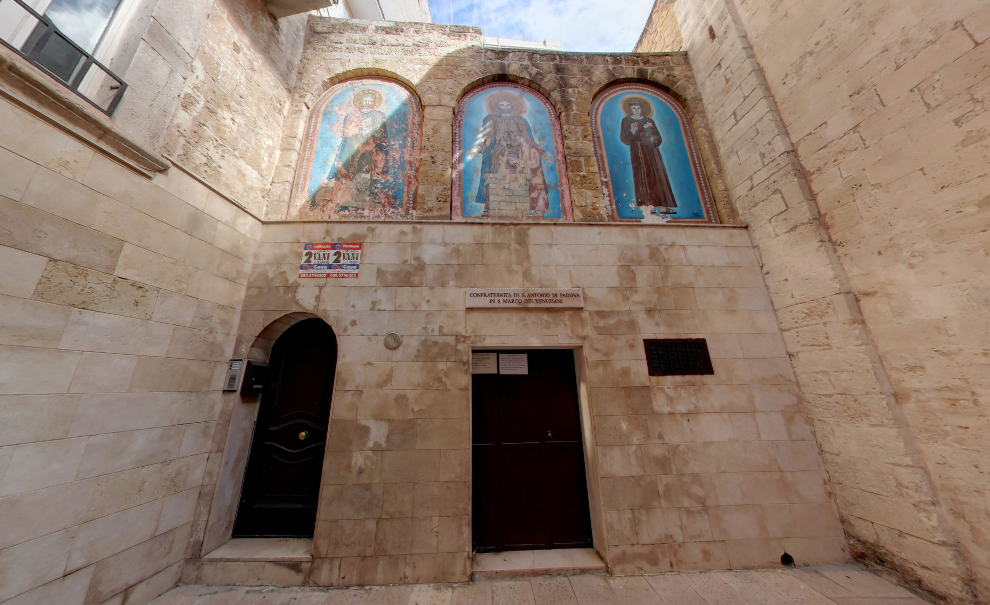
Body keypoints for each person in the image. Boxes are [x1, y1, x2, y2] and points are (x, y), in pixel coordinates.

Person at [311, 88, 390, 217]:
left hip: (371, 149)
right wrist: (358, 131)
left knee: (368, 172)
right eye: (364, 101)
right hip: (352, 148)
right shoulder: (352, 115)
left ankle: (366, 198)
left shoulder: (378, 115)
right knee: (347, 171)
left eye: (370, 101)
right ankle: (344, 197)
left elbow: (382, 135)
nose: (367, 103)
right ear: (359, 101)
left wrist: (370, 133)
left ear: (374, 102)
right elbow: (346, 133)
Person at [471, 90, 550, 217]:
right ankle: (489, 208)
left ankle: (521, 208)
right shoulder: (491, 120)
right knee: (494, 176)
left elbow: (529, 139)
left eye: (508, 105)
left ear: (512, 107)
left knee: (520, 178)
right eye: (502, 105)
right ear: (497, 107)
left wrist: (542, 152)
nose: (505, 108)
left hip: (518, 152)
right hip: (497, 152)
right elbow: (488, 138)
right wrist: (478, 148)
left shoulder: (521, 121)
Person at [619, 96, 677, 216]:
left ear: (641, 109)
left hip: (652, 151)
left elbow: (657, 136)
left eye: (638, 108)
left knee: (658, 175)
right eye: (634, 108)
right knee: (643, 176)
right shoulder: (626, 121)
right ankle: (649, 206)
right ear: (630, 110)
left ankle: (663, 206)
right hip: (638, 151)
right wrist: (632, 131)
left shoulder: (649, 120)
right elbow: (624, 139)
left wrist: (653, 139)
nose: (636, 110)